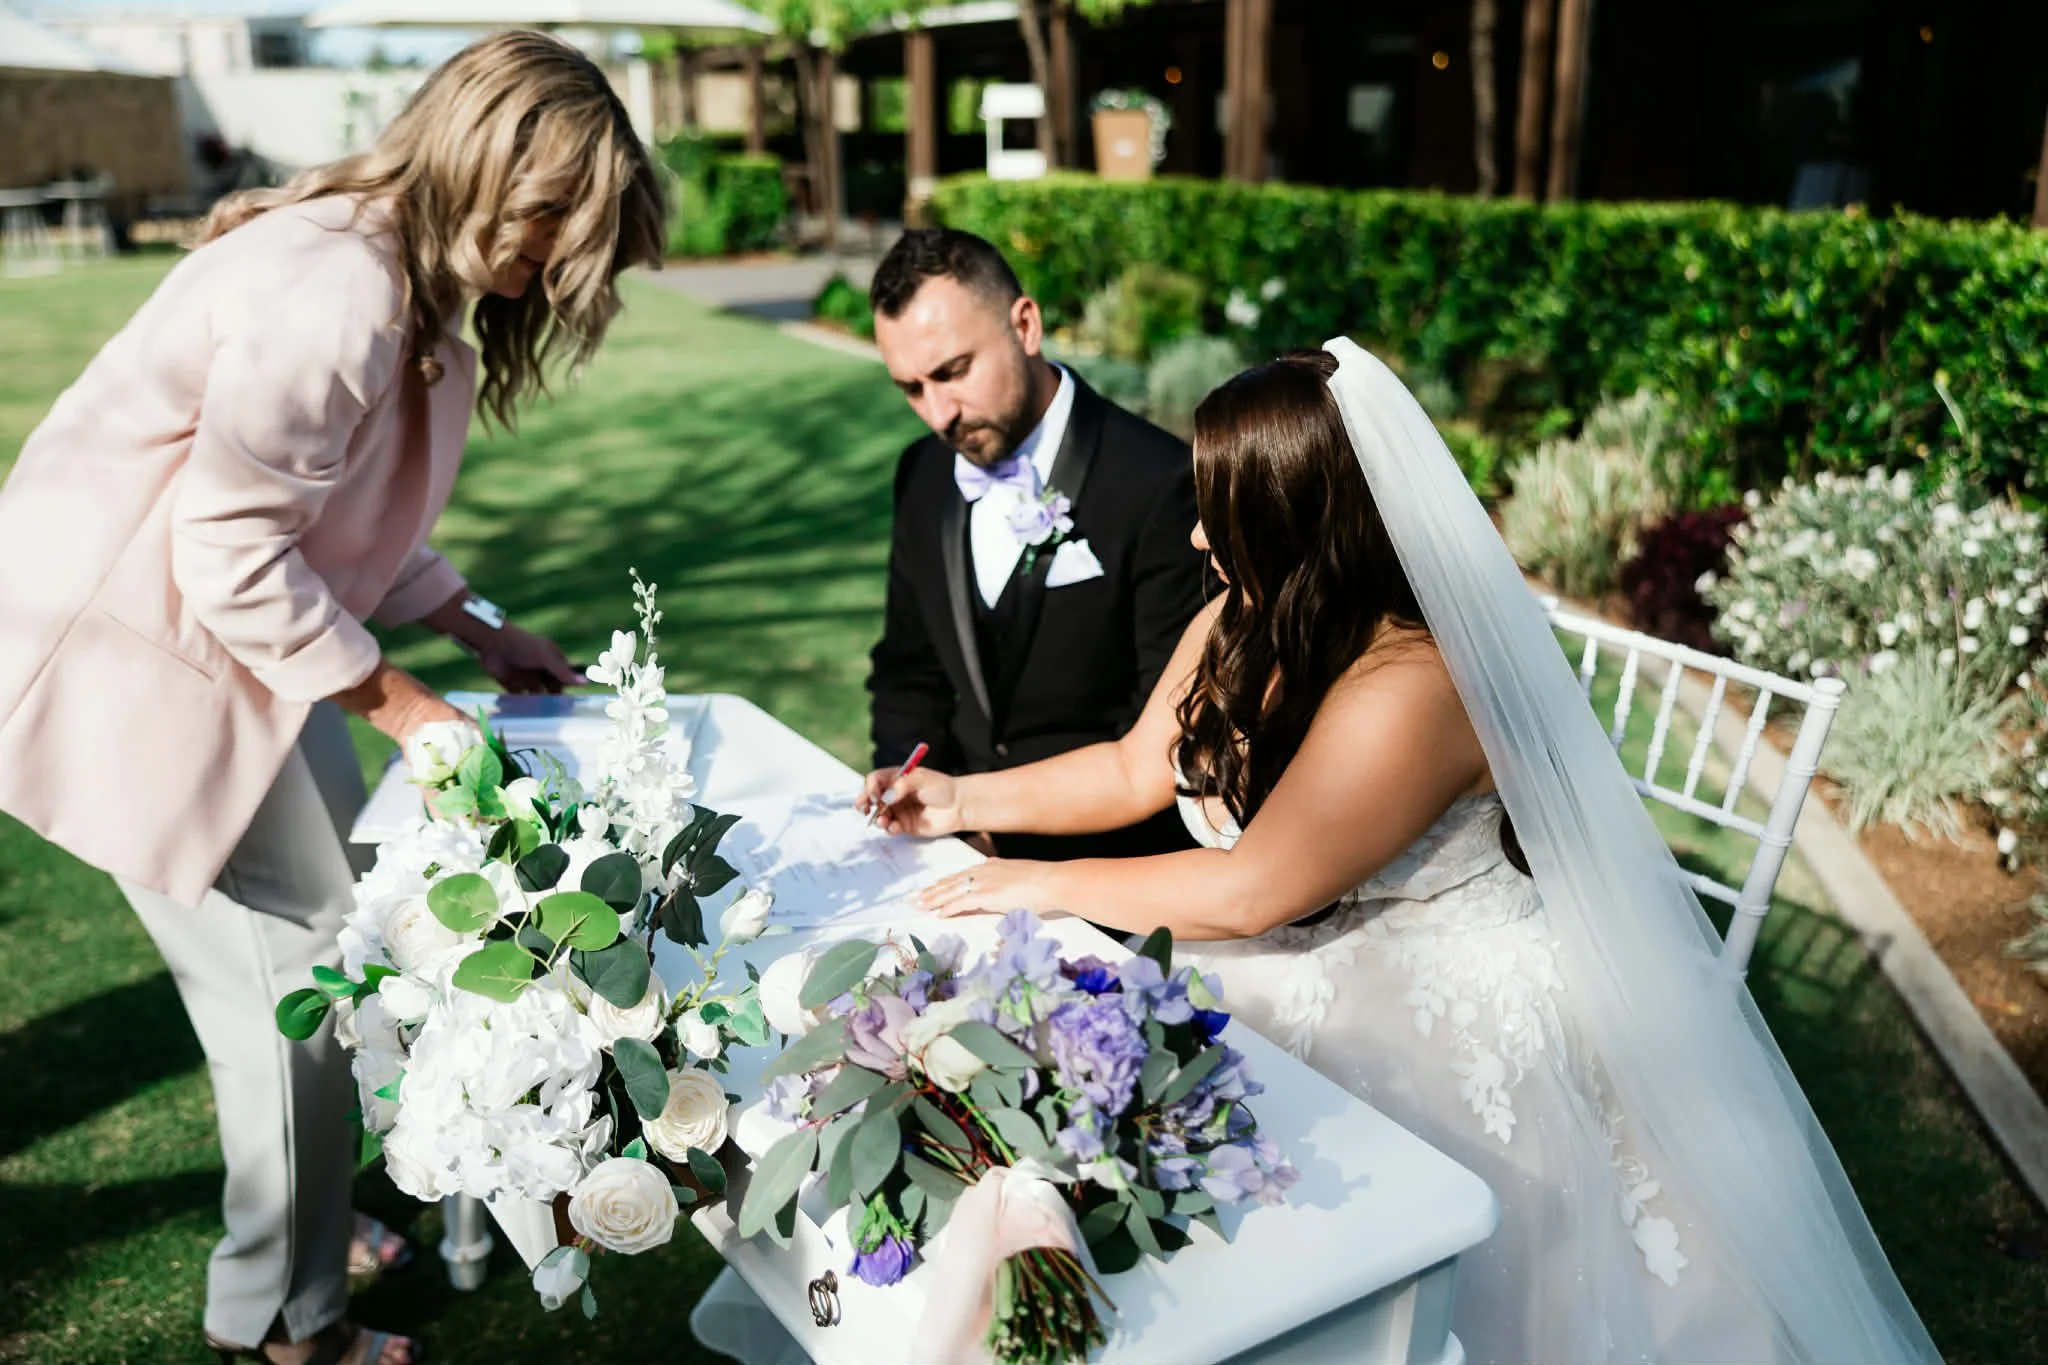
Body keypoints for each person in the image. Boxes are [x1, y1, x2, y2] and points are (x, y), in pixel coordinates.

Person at [862, 343, 1939, 1362]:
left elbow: (1249, 892)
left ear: (1300, 524)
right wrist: (959, 796)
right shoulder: (1245, 613)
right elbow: (1131, 771)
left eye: (1220, 514)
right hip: (1298, 951)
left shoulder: (1411, 689)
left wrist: (1035, 884)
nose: (1195, 537)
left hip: (1439, 1012)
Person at [0, 32, 665, 1365]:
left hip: (244, 653)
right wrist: (409, 706)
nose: (549, 265)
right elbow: (233, 551)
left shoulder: (389, 276)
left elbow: (338, 523)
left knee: (349, 940)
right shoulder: (339, 289)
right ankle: (287, 1322)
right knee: (293, 997)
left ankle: (308, 1220)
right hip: (147, 671)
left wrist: (475, 627)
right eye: (550, 222)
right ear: (486, 161)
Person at [864, 228, 1207, 863]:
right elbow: (910, 673)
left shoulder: (1161, 484)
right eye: (912, 388)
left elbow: (1163, 738)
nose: (939, 414)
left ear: (1025, 326)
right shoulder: (923, 475)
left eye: (953, 371)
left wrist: (998, 833)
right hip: (951, 851)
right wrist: (908, 784)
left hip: (1110, 872)